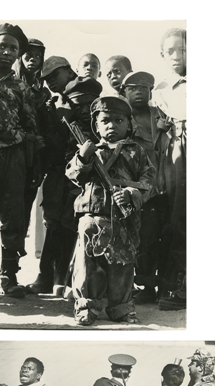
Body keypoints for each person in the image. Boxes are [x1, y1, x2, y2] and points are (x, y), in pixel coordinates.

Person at [67, 96, 155, 325]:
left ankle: (121, 308)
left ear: (129, 124)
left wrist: (131, 194)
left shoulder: (137, 151)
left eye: (118, 120)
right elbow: (73, 176)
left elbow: (149, 181)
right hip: (93, 217)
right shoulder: (89, 150)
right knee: (88, 265)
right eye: (105, 121)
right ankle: (87, 306)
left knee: (122, 266)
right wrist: (82, 158)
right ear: (96, 126)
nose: (111, 126)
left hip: (124, 218)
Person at [0, 23, 43, 297]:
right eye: (2, 46)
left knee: (14, 218)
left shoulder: (21, 86)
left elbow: (30, 126)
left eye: (13, 49)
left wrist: (28, 162)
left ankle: (7, 277)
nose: (7, 52)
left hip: (13, 157)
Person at [27, 57, 80, 296]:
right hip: (57, 171)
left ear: (69, 72)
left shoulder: (85, 96)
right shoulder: (51, 102)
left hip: (80, 172)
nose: (49, 83)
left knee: (70, 222)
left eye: (53, 76)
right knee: (53, 222)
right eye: (46, 79)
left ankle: (63, 277)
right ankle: (46, 276)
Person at [121, 71, 170, 305]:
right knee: (136, 238)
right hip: (132, 189)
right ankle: (134, 286)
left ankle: (153, 287)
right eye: (132, 88)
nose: (139, 92)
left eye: (143, 87)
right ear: (124, 92)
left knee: (156, 237)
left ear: (151, 92)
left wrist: (165, 128)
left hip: (160, 188)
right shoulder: (120, 118)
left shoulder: (159, 115)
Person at [153, 28, 187, 311]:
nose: (178, 56)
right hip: (178, 152)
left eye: (184, 49)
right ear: (163, 55)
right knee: (180, 217)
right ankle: (179, 285)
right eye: (171, 51)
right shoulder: (162, 91)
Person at [13, 38, 50, 234]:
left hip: (33, 157)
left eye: (38, 56)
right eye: (29, 54)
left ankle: (11, 263)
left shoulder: (44, 93)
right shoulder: (9, 84)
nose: (33, 59)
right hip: (11, 154)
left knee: (25, 209)